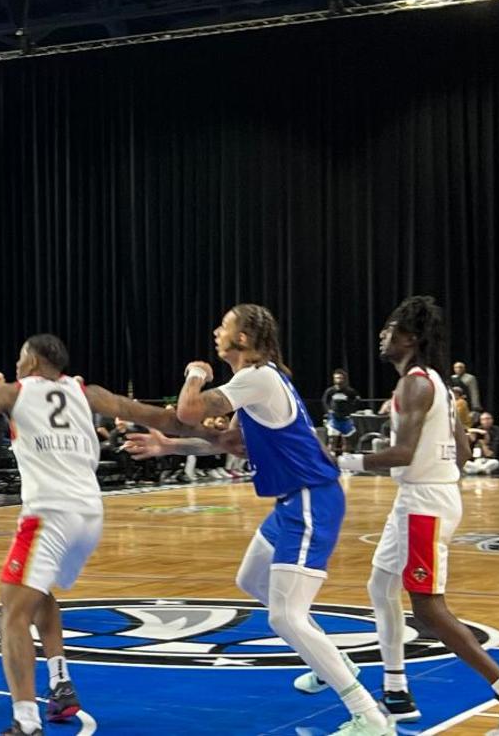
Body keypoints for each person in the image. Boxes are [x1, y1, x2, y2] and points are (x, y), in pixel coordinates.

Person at [0, 333, 204, 736]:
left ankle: (25, 720)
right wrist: (195, 384)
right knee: (37, 591)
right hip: (90, 514)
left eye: (21, 359)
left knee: (12, 617)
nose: (18, 365)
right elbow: (163, 417)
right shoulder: (87, 392)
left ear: (33, 363)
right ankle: (60, 683)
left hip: (48, 515)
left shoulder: (15, 391)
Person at [124, 304, 394, 736]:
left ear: (244, 339)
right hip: (293, 502)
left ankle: (369, 716)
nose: (216, 331)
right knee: (252, 579)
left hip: (311, 500)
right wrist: (168, 448)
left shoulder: (258, 378)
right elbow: (229, 440)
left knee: (285, 617)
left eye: (224, 326)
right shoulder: (257, 382)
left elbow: (190, 412)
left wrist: (196, 372)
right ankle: (327, 659)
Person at [335, 297, 499, 721]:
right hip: (424, 498)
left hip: (423, 503)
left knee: (428, 609)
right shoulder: (436, 382)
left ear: (410, 337)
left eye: (390, 328)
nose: (382, 334)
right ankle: (396, 689)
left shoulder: (414, 383)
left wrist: (342, 461)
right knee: (379, 586)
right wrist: (439, 477)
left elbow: (404, 453)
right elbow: (463, 450)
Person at [321, 369, 361, 454]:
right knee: (332, 440)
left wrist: (351, 410)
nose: (339, 380)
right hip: (334, 419)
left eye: (340, 378)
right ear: (334, 379)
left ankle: (346, 460)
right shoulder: (330, 391)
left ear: (344, 379)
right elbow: (325, 401)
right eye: (337, 378)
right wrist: (328, 411)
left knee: (347, 440)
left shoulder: (350, 391)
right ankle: (330, 458)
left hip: (346, 419)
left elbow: (357, 401)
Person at [465, 411, 499, 475]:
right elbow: (467, 430)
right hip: (477, 461)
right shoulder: (478, 430)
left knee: (496, 462)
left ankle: (477, 471)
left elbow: (490, 454)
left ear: (492, 420)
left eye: (488, 419)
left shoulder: (497, 431)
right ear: (480, 421)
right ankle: (482, 471)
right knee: (465, 463)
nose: (486, 421)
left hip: (489, 460)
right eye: (483, 419)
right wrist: (478, 432)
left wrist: (483, 444)